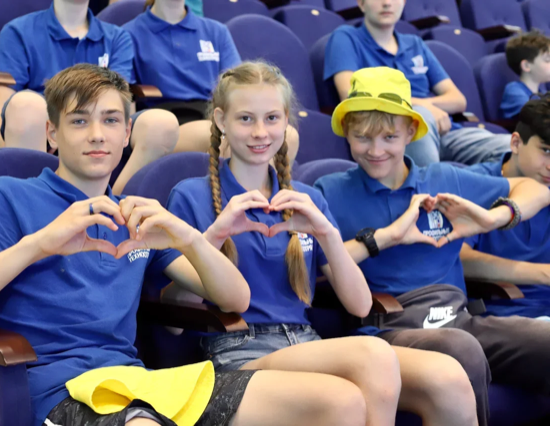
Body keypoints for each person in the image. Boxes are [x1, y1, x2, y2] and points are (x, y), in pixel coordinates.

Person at [0, 64, 367, 426]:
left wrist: (187, 235)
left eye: (111, 121)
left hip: (138, 384)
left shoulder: (134, 215)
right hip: (56, 389)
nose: (97, 134)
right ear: (52, 133)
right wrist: (40, 244)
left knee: (338, 401)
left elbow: (236, 299)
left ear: (127, 134)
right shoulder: (8, 196)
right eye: (79, 121)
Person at [164, 61, 479, 426]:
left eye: (271, 118)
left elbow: (360, 304)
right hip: (237, 352)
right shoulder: (190, 195)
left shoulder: (307, 198)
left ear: (286, 121)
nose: (260, 132)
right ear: (221, 120)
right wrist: (215, 234)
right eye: (245, 119)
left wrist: (326, 233)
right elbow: (173, 319)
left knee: (448, 380)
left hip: (307, 343)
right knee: (373, 356)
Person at [315, 66, 550, 426]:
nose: (376, 150)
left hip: (459, 317)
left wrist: (493, 218)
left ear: (410, 132)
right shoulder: (329, 190)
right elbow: (316, 265)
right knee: (459, 348)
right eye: (362, 137)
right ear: (346, 132)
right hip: (387, 326)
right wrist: (387, 237)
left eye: (389, 137)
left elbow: (535, 189)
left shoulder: (442, 178)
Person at [0, 0, 179, 192]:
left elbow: (121, 102)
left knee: (161, 123)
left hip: (100, 122)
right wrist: (7, 160)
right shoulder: (19, 31)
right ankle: (35, 199)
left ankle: (115, 202)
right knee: (26, 105)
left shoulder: (117, 37)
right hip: (46, 130)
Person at [324, 0, 510, 166]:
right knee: (418, 115)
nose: (387, 3)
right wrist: (420, 108)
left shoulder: (415, 44)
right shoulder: (345, 37)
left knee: (512, 148)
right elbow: (350, 95)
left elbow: (457, 100)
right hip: (391, 134)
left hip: (446, 131)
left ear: (404, 2)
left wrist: (427, 106)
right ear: (361, 3)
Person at [121, 0, 300, 174]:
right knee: (226, 139)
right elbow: (123, 95)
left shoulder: (216, 31)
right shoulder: (129, 33)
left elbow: (239, 85)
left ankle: (266, 193)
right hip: (167, 118)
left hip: (211, 113)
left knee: (288, 136)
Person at [462, 98, 550, 320]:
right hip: (504, 315)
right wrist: (542, 274)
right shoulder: (475, 183)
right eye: (546, 150)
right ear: (516, 143)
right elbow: (458, 259)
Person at [500, 30, 550, 120]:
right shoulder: (514, 90)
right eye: (547, 60)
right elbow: (532, 114)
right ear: (526, 66)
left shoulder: (543, 93)